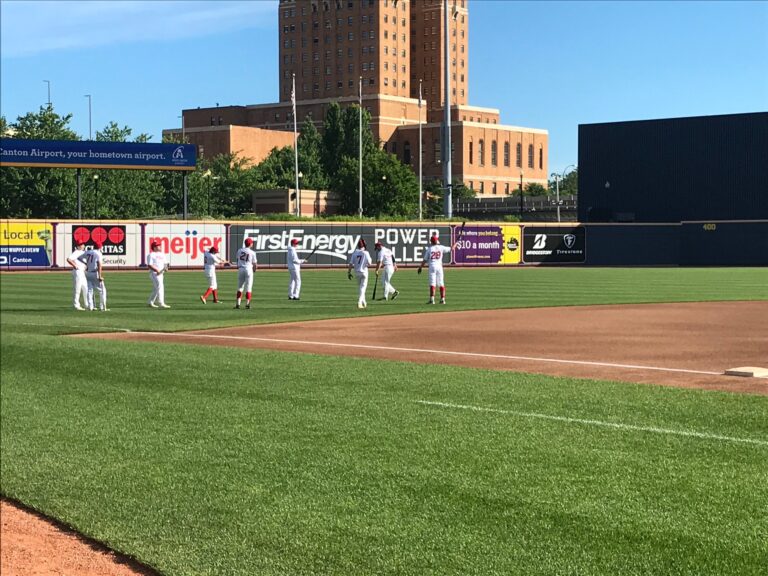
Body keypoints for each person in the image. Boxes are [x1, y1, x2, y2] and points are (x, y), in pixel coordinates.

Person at [417, 234, 458, 305]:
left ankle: (432, 300)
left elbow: (424, 260)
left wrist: (420, 267)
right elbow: (452, 248)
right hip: (439, 267)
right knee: (441, 283)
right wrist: (456, 244)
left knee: (432, 283)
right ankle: (443, 299)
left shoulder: (429, 249)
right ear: (436, 241)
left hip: (432, 266)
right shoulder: (441, 247)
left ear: (431, 242)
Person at [81, 240, 108, 311]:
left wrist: (85, 263)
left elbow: (79, 257)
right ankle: (102, 307)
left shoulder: (88, 252)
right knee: (102, 290)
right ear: (100, 247)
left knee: (89, 290)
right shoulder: (98, 253)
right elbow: (99, 265)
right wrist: (99, 276)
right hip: (95, 273)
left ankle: (90, 306)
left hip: (88, 273)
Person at [347, 238, 372, 309]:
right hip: (364, 272)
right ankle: (359, 302)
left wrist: (349, 272)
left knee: (360, 288)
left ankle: (364, 302)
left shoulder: (355, 252)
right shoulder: (366, 253)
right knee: (363, 288)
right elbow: (370, 263)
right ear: (364, 245)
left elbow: (351, 263)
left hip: (357, 272)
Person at [234, 237, 258, 309]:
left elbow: (237, 259)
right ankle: (247, 304)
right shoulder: (252, 252)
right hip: (248, 269)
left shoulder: (239, 250)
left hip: (241, 269)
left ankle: (238, 304)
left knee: (240, 287)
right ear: (250, 244)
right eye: (252, 243)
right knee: (248, 287)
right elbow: (255, 264)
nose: (252, 244)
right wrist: (254, 270)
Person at [147, 241, 170, 309]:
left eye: (159, 245)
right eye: (158, 246)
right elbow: (150, 265)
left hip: (161, 273)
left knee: (156, 288)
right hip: (154, 274)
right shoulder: (151, 255)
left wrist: (166, 268)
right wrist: (156, 270)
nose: (159, 246)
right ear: (154, 247)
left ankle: (150, 302)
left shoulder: (162, 254)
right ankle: (161, 303)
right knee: (160, 286)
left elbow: (166, 263)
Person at [66, 240, 87, 310]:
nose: (83, 245)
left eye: (83, 244)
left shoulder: (82, 252)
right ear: (78, 246)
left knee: (85, 288)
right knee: (77, 289)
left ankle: (87, 304)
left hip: (82, 272)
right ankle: (76, 305)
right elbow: (68, 259)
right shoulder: (76, 252)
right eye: (81, 244)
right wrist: (75, 265)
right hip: (78, 272)